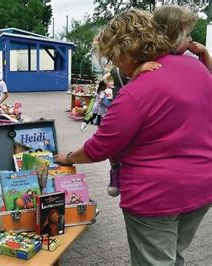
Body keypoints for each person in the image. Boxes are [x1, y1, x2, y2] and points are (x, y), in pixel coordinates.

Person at [54, 9, 212, 265]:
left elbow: (100, 147)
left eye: (115, 57)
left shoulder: (135, 93)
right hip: (202, 186)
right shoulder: (198, 69)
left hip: (156, 195)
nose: (116, 65)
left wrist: (67, 157)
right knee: (175, 255)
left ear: (128, 50)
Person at [153, 5, 212, 73]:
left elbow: (207, 75)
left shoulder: (187, 55)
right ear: (173, 35)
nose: (190, 39)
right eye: (187, 35)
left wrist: (204, 53)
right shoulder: (148, 56)